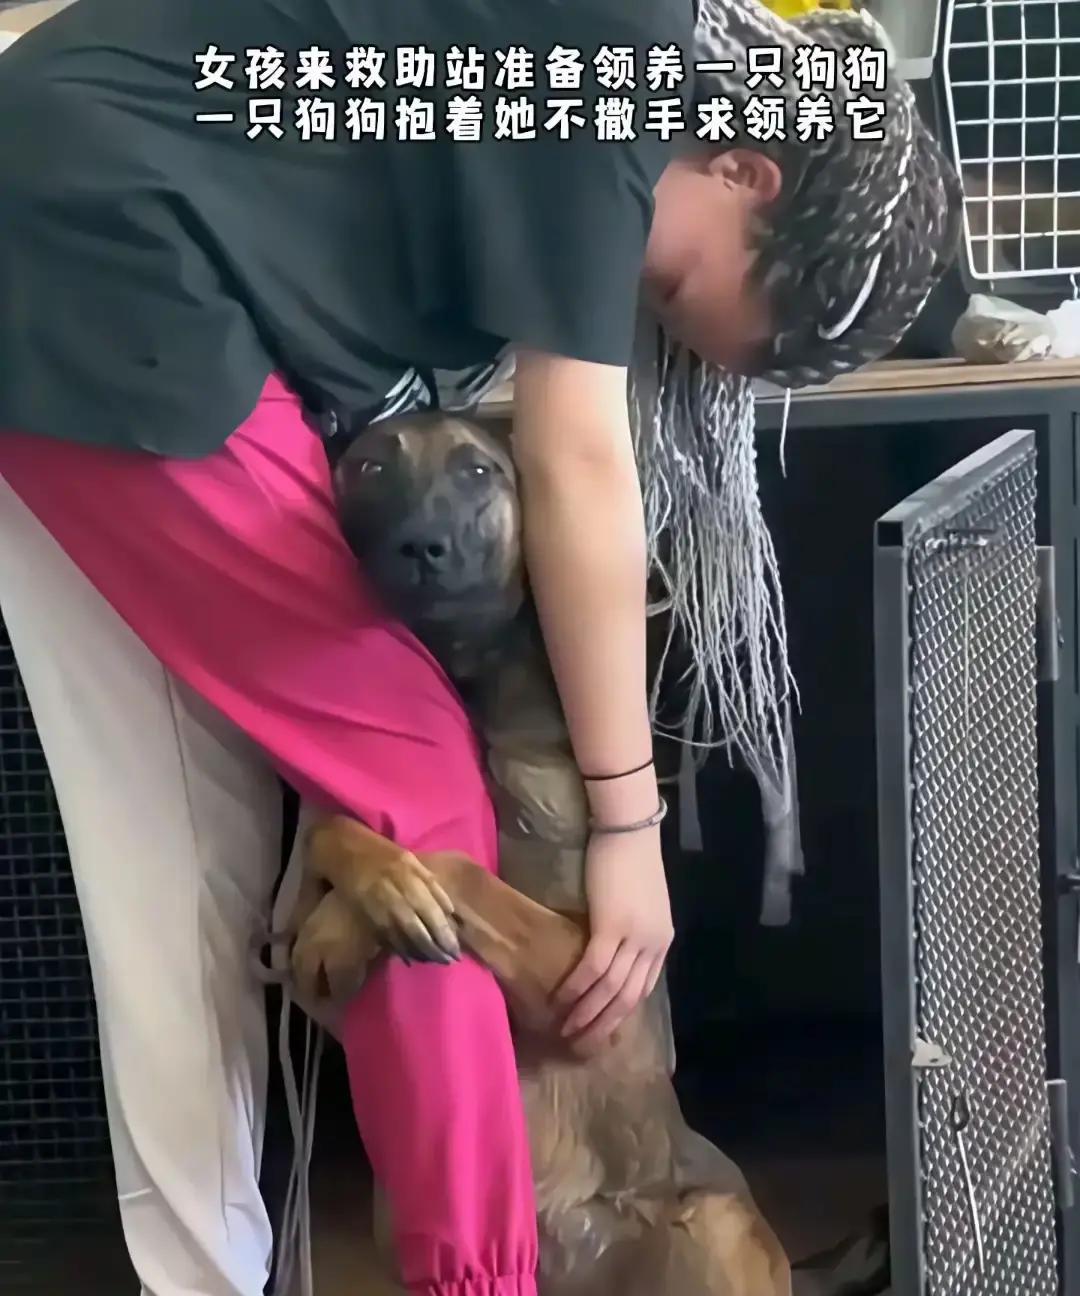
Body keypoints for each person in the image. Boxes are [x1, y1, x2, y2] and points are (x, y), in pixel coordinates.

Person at [0, 1, 960, 1294]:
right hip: (105, 263)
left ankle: (204, 1270)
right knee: (417, 795)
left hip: (69, 224)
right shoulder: (619, 69)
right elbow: (576, 458)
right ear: (746, 172)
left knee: (189, 863)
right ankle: (474, 1277)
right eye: (673, 290)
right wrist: (626, 824)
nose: (633, 300)